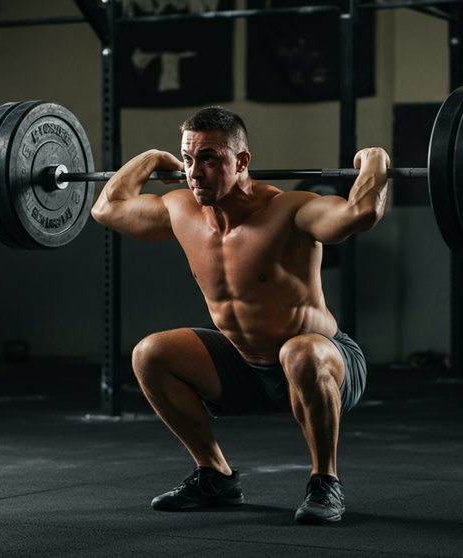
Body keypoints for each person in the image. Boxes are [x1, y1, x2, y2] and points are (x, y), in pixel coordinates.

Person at [91, 107, 389, 525]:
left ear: (242, 161)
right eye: (189, 159)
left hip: (324, 363)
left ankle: (326, 481)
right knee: (150, 353)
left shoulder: (292, 211)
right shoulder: (180, 210)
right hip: (246, 366)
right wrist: (153, 158)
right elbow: (106, 209)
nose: (195, 172)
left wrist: (376, 161)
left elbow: (362, 214)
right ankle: (216, 476)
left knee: (299, 352)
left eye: (210, 158)